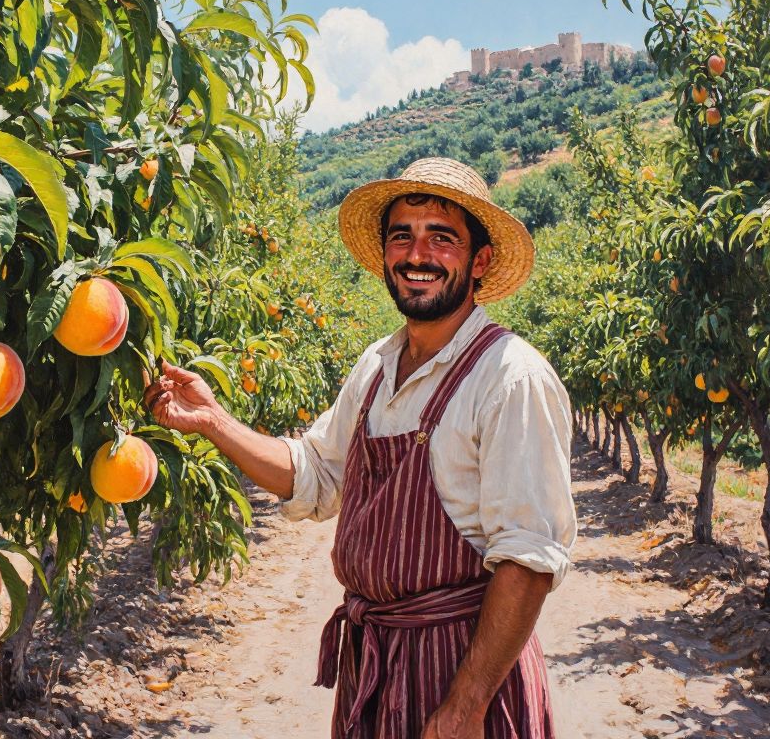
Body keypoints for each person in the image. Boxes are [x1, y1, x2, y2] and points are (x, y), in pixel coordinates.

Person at [143, 157, 576, 738]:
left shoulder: (508, 378)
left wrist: (466, 706)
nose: (417, 255)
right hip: (375, 665)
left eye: (441, 238)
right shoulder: (376, 366)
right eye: (403, 236)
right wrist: (214, 420)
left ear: (481, 260)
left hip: (463, 668)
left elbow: (527, 560)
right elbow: (314, 474)